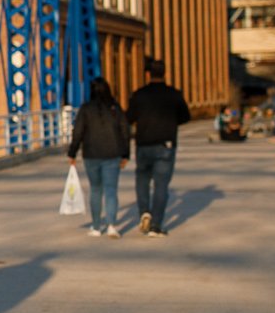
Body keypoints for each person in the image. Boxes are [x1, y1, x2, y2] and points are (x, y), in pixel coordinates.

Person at [125, 57, 192, 237]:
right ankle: (155, 225)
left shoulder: (139, 94)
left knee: (142, 180)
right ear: (164, 73)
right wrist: (171, 121)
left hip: (143, 143)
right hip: (165, 144)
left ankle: (144, 211)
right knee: (161, 185)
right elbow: (186, 117)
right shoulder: (174, 94)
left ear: (148, 74)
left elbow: (128, 118)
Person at [66, 76, 131, 237]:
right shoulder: (115, 108)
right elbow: (125, 131)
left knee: (95, 189)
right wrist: (125, 154)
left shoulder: (86, 109)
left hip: (91, 154)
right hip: (112, 153)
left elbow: (78, 132)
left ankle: (96, 227)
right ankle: (111, 226)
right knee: (111, 190)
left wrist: (72, 152)